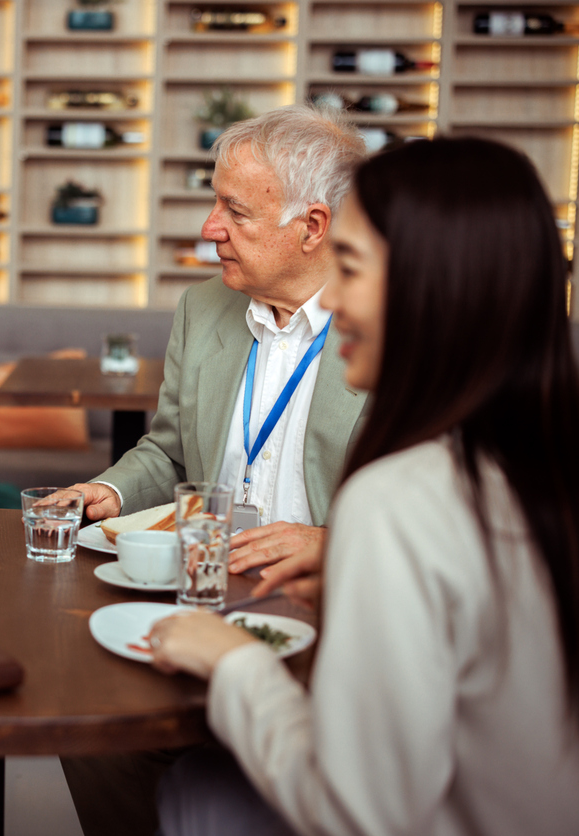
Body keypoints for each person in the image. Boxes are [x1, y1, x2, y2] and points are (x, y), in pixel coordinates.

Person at [149, 136, 579, 835]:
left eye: (348, 267)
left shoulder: (399, 499)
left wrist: (232, 663)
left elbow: (361, 815)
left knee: (192, 787)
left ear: (432, 285)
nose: (333, 302)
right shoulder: (537, 463)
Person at [61, 105, 369, 836]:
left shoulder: (386, 326)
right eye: (213, 202)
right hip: (199, 595)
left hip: (334, 615)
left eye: (233, 209)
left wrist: (334, 543)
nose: (209, 227)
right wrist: (105, 490)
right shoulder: (205, 309)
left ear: (313, 227)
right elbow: (166, 448)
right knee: (88, 722)